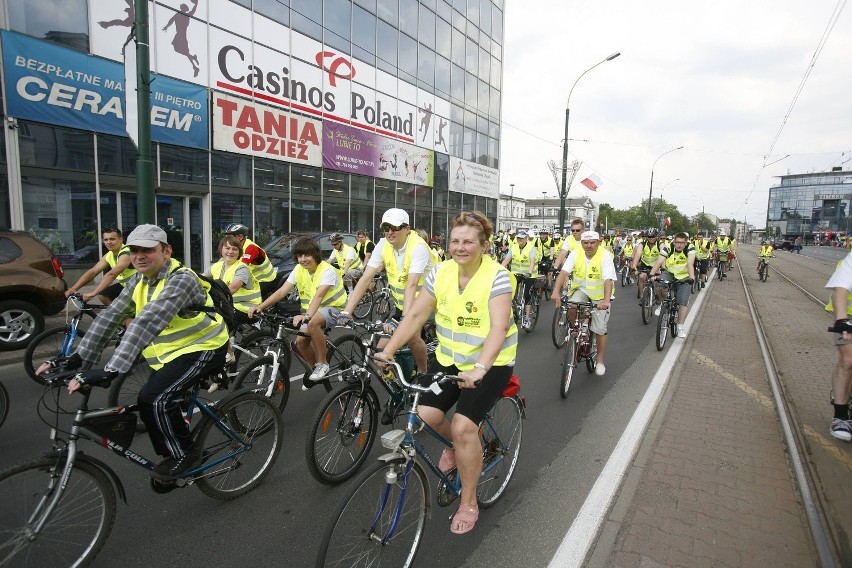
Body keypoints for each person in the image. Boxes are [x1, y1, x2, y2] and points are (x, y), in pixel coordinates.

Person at [41, 225, 229, 479]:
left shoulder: (181, 279)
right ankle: (175, 449)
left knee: (153, 399)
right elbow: (111, 317)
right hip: (170, 352)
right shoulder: (139, 280)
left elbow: (147, 321)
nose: (139, 256)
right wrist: (75, 358)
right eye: (134, 250)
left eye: (148, 250)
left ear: (166, 251)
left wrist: (111, 370)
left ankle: (186, 455)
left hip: (203, 346)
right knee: (154, 401)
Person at [376, 210, 517, 535]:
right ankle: (460, 447)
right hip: (451, 358)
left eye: (468, 241)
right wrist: (389, 350)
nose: (460, 246)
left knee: (464, 425)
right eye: (455, 240)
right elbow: (414, 316)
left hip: (491, 362)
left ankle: (468, 501)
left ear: (484, 244)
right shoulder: (439, 273)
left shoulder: (497, 277)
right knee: (424, 414)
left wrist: (481, 367)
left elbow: (498, 328)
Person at [338, 208, 433, 373]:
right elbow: (366, 278)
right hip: (400, 303)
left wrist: (406, 319)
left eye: (395, 228)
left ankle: (423, 372)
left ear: (407, 228)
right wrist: (347, 312)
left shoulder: (419, 247)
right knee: (380, 350)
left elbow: (412, 284)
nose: (390, 232)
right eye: (386, 228)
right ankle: (396, 383)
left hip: (422, 303)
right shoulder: (383, 244)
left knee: (412, 337)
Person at [249, 238, 346, 385]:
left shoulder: (327, 270)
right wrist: (261, 306)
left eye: (307, 255)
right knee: (300, 342)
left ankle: (323, 364)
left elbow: (319, 296)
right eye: (300, 256)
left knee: (313, 323)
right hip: (314, 310)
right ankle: (315, 370)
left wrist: (307, 315)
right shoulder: (299, 269)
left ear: (315, 255)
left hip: (334, 309)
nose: (303, 259)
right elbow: (282, 291)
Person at [550, 231, 615, 375]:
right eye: (586, 243)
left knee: (600, 328)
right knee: (572, 306)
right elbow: (564, 273)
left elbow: (608, 280)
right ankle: (576, 331)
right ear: (582, 243)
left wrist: (605, 300)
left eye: (592, 242)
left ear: (598, 242)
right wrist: (555, 291)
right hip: (581, 290)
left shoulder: (605, 256)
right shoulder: (576, 253)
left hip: (599, 295)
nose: (589, 245)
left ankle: (599, 359)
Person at [208, 235, 260, 363]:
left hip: (247, 308)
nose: (230, 252)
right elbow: (201, 279)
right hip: (228, 305)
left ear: (239, 252)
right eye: (227, 248)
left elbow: (232, 288)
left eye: (234, 249)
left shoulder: (242, 268)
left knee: (218, 319)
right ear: (221, 250)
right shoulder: (216, 266)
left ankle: (229, 352)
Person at [65, 228, 136, 305]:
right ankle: (119, 315)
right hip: (126, 285)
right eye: (106, 240)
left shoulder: (126, 253)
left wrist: (93, 293)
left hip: (138, 285)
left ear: (121, 240)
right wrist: (73, 289)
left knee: (105, 296)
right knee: (104, 295)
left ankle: (126, 316)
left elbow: (112, 274)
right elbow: (93, 272)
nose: (109, 242)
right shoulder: (109, 255)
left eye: (112, 239)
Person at [825, 253, 852, 441]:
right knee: (848, 359)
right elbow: (840, 288)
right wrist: (842, 320)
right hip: (846, 317)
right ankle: (841, 415)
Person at [649, 232, 696, 338]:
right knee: (659, 284)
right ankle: (662, 304)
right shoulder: (668, 247)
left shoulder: (690, 248)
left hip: (684, 276)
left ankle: (680, 327)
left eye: (682, 243)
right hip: (669, 273)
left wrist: (692, 277)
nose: (679, 245)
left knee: (683, 302)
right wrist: (652, 273)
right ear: (674, 242)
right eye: (677, 242)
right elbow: (660, 261)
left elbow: (690, 263)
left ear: (686, 243)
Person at [223, 223, 278, 297]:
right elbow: (224, 262)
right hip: (254, 279)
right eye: (226, 237)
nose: (227, 240)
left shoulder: (251, 248)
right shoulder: (235, 248)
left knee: (246, 297)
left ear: (240, 237)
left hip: (266, 280)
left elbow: (241, 267)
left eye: (230, 237)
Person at [501, 229, 537, 328]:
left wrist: (529, 272)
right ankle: (513, 308)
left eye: (522, 238)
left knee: (527, 295)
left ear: (526, 238)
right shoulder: (514, 247)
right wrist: (498, 269)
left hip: (529, 274)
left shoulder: (531, 248)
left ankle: (527, 318)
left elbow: (532, 261)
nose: (519, 240)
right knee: (510, 291)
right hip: (516, 273)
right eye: (518, 238)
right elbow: (507, 260)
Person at [631, 227, 662, 305]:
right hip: (645, 264)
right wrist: (634, 267)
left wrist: (662, 268)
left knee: (657, 282)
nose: (651, 238)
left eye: (653, 236)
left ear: (656, 236)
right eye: (649, 236)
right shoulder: (643, 244)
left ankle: (658, 296)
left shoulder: (660, 244)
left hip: (656, 265)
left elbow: (663, 255)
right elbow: (637, 254)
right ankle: (642, 297)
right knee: (642, 277)